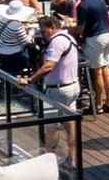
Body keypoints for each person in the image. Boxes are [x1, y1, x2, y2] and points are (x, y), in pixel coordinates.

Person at [19, 15, 81, 162]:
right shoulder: (68, 38)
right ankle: (72, 158)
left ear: (52, 27)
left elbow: (49, 66)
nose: (43, 34)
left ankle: (49, 159)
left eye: (44, 30)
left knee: (50, 125)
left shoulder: (57, 42)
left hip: (58, 89)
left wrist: (30, 79)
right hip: (71, 86)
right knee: (69, 122)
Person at [69, 0, 109, 115]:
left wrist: (68, 29)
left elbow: (80, 29)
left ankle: (97, 105)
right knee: (106, 69)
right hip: (108, 35)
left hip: (95, 39)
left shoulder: (83, 5)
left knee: (96, 72)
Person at [0, 0, 38, 77]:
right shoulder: (16, 25)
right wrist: (31, 32)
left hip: (1, 51)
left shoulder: (2, 20)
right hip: (14, 55)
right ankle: (34, 73)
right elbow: (26, 42)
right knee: (35, 51)